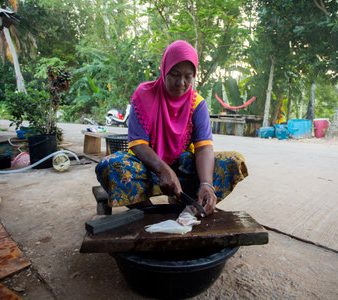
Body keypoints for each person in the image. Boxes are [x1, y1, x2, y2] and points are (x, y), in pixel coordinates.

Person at [95, 40, 247, 216]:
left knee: (233, 161)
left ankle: (188, 204)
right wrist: (163, 169)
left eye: (188, 77)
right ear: (164, 70)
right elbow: (138, 144)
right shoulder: (143, 95)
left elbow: (204, 147)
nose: (181, 83)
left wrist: (206, 183)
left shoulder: (198, 104)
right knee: (109, 166)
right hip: (148, 168)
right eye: (174, 74)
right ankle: (149, 213)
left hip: (184, 169)